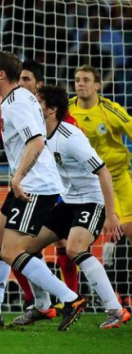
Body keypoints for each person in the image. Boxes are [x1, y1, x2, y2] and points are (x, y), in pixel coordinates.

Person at [0, 51, 85, 331]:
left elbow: (36, 143)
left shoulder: (16, 103)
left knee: (12, 250)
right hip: (31, 182)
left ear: (2, 75)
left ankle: (71, 299)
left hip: (34, 186)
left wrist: (17, 178)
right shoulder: (15, 99)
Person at [14, 85, 129, 329]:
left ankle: (116, 310)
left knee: (76, 249)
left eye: (39, 102)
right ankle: (42, 305)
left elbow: (104, 173)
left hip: (92, 200)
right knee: (23, 248)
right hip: (68, 201)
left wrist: (110, 214)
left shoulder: (70, 137)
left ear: (52, 110)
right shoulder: (39, 135)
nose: (34, 105)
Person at [69, 65, 132, 254]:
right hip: (82, 183)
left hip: (116, 179)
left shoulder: (111, 110)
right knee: (72, 242)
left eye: (86, 80)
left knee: (130, 229)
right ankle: (74, 284)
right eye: (78, 80)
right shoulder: (66, 110)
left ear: (97, 85)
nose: (80, 84)